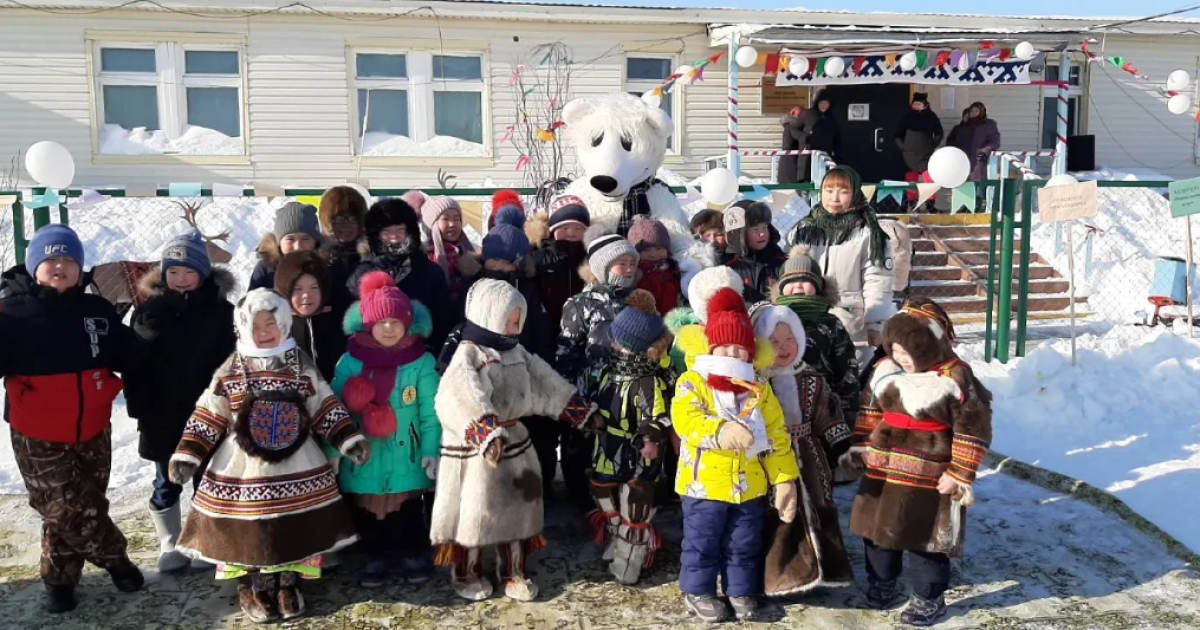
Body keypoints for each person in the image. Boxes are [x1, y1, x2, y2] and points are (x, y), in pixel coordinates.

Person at [169, 289, 369, 623]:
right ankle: (254, 585)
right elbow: (209, 411)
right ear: (242, 328)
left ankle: (287, 583)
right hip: (244, 467)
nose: (264, 333)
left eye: (271, 324)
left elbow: (322, 404)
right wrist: (189, 452)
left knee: (292, 526)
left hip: (297, 460)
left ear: (285, 324)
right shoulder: (233, 367)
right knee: (252, 528)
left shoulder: (298, 363)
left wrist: (347, 437)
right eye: (256, 326)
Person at [0, 225, 143, 613]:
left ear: (80, 268)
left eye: (68, 260)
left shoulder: (96, 310)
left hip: (93, 428)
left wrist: (147, 333)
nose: (60, 266)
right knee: (66, 507)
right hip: (38, 432)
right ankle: (117, 560)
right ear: (34, 266)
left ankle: (59, 582)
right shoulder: (10, 311)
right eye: (50, 259)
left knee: (82, 503)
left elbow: (126, 355)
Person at [431, 279, 596, 602]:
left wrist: (577, 410)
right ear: (490, 314)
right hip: (478, 451)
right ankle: (468, 571)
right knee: (474, 514)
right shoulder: (468, 353)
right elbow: (455, 396)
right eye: (510, 319)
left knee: (519, 512)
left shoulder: (516, 351)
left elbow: (543, 381)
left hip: (517, 441)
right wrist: (483, 431)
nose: (516, 326)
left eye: (519, 319)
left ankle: (514, 571)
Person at [847, 298, 992, 626]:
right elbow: (870, 411)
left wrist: (959, 472)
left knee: (925, 537)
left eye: (911, 351)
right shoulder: (885, 369)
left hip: (931, 473)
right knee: (877, 529)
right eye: (897, 350)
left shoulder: (955, 375)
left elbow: (973, 425)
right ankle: (882, 582)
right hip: (884, 468)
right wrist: (860, 447)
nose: (903, 358)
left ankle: (929, 597)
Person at [672, 287, 800, 623]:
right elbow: (687, 420)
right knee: (702, 542)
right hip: (703, 485)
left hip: (749, 486)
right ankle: (697, 591)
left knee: (743, 543)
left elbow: (776, 436)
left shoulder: (758, 388)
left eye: (741, 348)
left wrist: (785, 479)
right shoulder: (693, 381)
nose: (732, 353)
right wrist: (721, 431)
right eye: (725, 346)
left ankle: (740, 590)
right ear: (711, 346)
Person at [125, 230, 236, 574]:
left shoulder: (222, 312)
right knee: (166, 479)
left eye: (189, 272)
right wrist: (138, 404)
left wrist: (230, 406)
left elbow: (231, 363)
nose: (182, 279)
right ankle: (168, 542)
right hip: (162, 413)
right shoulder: (149, 312)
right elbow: (133, 364)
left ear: (203, 273)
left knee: (209, 478)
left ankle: (206, 539)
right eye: (174, 272)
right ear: (164, 274)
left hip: (208, 413)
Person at [332, 272, 441, 588]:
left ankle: (413, 553)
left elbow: (431, 415)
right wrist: (333, 452)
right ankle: (375, 556)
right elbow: (334, 413)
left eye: (396, 321)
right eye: (382, 322)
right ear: (367, 325)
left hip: (407, 454)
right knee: (369, 512)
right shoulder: (350, 362)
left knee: (406, 510)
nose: (389, 328)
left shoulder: (420, 362)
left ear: (408, 323)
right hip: (364, 455)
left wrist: (432, 451)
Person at [436, 224, 561, 501]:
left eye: (508, 261)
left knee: (534, 435)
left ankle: (537, 488)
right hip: (487, 371)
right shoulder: (474, 290)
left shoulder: (528, 290)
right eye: (495, 260)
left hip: (523, 369)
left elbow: (539, 332)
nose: (501, 267)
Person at [750, 303, 854, 596]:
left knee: (819, 506)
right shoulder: (755, 382)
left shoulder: (812, 378)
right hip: (771, 458)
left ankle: (826, 570)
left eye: (790, 339)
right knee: (779, 511)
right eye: (774, 342)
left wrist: (842, 447)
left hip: (811, 457)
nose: (783, 348)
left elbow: (828, 415)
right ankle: (781, 576)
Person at [586, 290, 674, 585]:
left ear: (630, 347)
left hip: (638, 452)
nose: (610, 343)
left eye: (616, 340)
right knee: (602, 492)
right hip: (607, 447)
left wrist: (650, 437)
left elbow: (659, 416)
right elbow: (595, 399)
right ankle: (615, 535)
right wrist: (590, 417)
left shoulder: (648, 381)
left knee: (635, 502)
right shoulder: (607, 372)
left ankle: (631, 557)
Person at [555, 226, 640, 514]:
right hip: (589, 391)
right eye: (621, 263)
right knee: (583, 448)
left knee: (622, 446)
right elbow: (567, 353)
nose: (628, 270)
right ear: (602, 266)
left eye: (632, 264)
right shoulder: (580, 304)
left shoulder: (639, 301)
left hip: (628, 391)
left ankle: (620, 503)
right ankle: (582, 503)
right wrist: (572, 400)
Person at [786, 165, 895, 368]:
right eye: (829, 191)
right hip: (809, 321)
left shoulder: (868, 234)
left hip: (852, 327)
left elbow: (878, 281)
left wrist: (875, 323)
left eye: (843, 191)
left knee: (849, 385)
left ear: (855, 193)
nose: (834, 198)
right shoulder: (805, 229)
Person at [348, 198, 453, 353]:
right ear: (376, 235)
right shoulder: (361, 273)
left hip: (420, 357)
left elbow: (443, 320)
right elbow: (352, 323)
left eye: (399, 230)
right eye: (387, 232)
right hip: (371, 358)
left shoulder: (430, 271)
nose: (394, 237)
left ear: (409, 231)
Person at [773, 247, 861, 425]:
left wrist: (847, 405)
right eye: (791, 281)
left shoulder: (830, 322)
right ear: (781, 289)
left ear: (819, 287)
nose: (797, 285)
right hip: (779, 401)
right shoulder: (772, 320)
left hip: (824, 402)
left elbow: (846, 364)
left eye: (805, 281)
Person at [274, 251, 346, 383]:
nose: (306, 295)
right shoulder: (276, 327)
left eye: (314, 288)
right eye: (298, 289)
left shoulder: (339, 323)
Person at [529, 195, 591, 342]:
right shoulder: (538, 257)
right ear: (552, 230)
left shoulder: (591, 258)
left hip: (581, 332)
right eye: (564, 227)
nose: (571, 232)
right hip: (544, 330)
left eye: (578, 228)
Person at [723, 200, 788, 303]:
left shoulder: (782, 263)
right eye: (755, 229)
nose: (762, 234)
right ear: (740, 234)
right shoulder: (729, 270)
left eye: (765, 227)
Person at [250, 202, 323, 292]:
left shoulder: (327, 266)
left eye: (305, 239)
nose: (297, 247)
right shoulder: (266, 270)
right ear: (279, 243)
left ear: (315, 242)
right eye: (290, 239)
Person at [319, 185, 369, 315]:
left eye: (352, 219)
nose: (346, 226)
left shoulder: (371, 256)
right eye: (338, 219)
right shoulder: (318, 258)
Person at [420, 196, 477, 311]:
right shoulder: (424, 259)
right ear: (432, 225)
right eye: (445, 219)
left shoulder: (472, 254)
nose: (452, 224)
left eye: (457, 219)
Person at [628, 215, 682, 315]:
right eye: (646, 250)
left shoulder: (673, 267)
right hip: (646, 317)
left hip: (673, 315)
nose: (653, 254)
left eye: (659, 249)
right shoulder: (637, 270)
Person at [947, 101, 1001, 183]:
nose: (974, 113)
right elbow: (956, 141)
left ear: (982, 112)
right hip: (963, 159)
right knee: (963, 183)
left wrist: (985, 150)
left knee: (978, 183)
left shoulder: (988, 125)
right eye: (972, 111)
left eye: (976, 111)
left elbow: (994, 142)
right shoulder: (964, 126)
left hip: (979, 159)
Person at [894, 93, 944, 177]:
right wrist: (903, 148)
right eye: (915, 104)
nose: (916, 106)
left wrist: (932, 145)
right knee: (911, 181)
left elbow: (939, 133)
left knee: (927, 180)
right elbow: (897, 135)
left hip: (926, 155)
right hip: (909, 155)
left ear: (924, 105)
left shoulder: (931, 117)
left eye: (919, 104)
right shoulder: (906, 116)